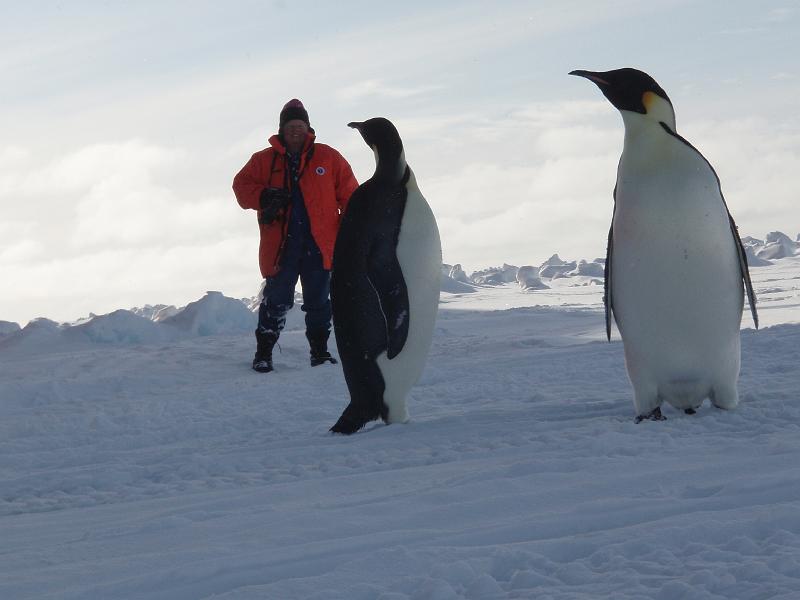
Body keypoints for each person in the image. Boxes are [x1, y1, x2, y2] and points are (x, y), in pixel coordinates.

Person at [233, 99, 358, 373]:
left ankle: (320, 353)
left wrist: (353, 228)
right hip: (282, 246)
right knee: (276, 300)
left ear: (308, 128)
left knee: (319, 302)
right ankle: (264, 353)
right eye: (290, 126)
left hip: (320, 245)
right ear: (282, 129)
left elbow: (350, 194)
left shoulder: (329, 157)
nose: (295, 131)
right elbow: (241, 187)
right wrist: (264, 195)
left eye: (300, 126)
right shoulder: (263, 160)